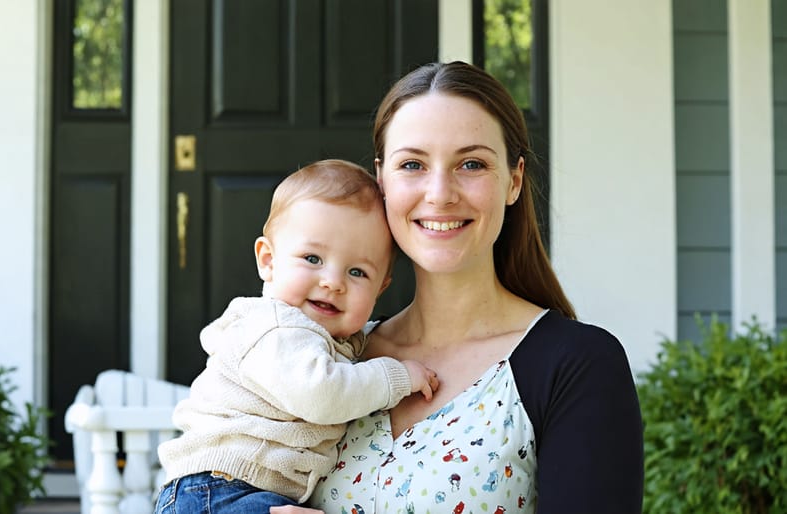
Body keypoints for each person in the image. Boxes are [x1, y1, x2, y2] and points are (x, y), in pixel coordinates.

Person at [271, 61, 644, 514]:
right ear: (383, 180)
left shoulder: (577, 366)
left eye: (471, 164)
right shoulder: (327, 354)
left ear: (514, 180)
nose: (440, 193)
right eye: (412, 164)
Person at [154, 159, 441, 514]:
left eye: (357, 272)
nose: (333, 281)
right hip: (220, 489)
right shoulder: (274, 328)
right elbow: (322, 394)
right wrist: (396, 375)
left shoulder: (329, 338)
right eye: (312, 258)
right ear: (268, 261)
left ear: (381, 287)